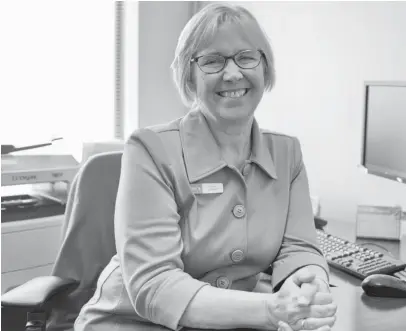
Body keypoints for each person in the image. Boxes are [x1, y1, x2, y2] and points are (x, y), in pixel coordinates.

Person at [73, 3, 337, 331]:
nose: (232, 73)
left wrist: (311, 292)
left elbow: (299, 249)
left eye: (246, 57)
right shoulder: (150, 150)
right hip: (131, 321)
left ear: (264, 67)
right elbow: (154, 285)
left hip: (233, 321)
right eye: (212, 61)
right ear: (189, 75)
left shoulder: (287, 154)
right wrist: (271, 310)